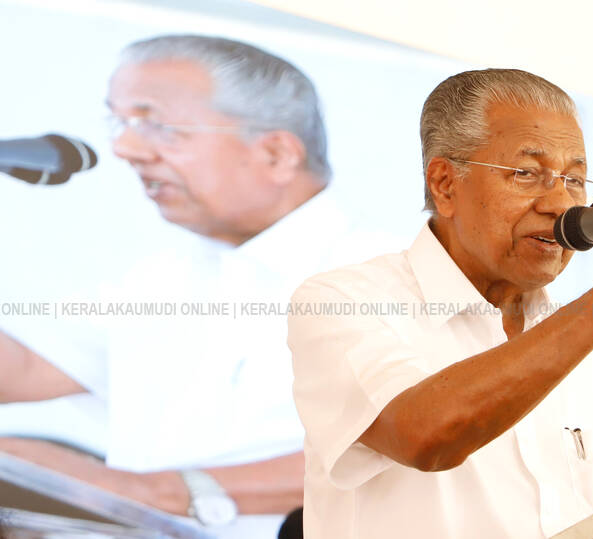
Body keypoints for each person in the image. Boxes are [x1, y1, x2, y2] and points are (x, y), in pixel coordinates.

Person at [288, 68, 593, 538]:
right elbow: (424, 436)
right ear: (445, 184)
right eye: (526, 174)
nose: (561, 204)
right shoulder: (344, 301)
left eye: (575, 180)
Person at [0, 34, 353, 536]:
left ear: (276, 154)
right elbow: (22, 370)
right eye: (120, 122)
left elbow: (429, 452)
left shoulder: (401, 278)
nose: (125, 148)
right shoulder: (161, 280)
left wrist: (152, 491)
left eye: (157, 125)